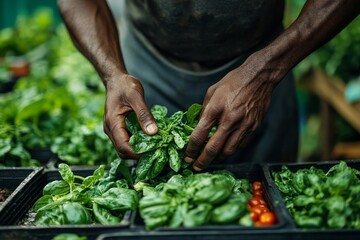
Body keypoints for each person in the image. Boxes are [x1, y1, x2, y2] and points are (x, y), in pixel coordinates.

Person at [57, 0, 360, 171]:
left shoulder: (264, 71)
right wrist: (112, 74)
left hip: (260, 63)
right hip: (148, 68)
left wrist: (265, 72)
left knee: (268, 197)